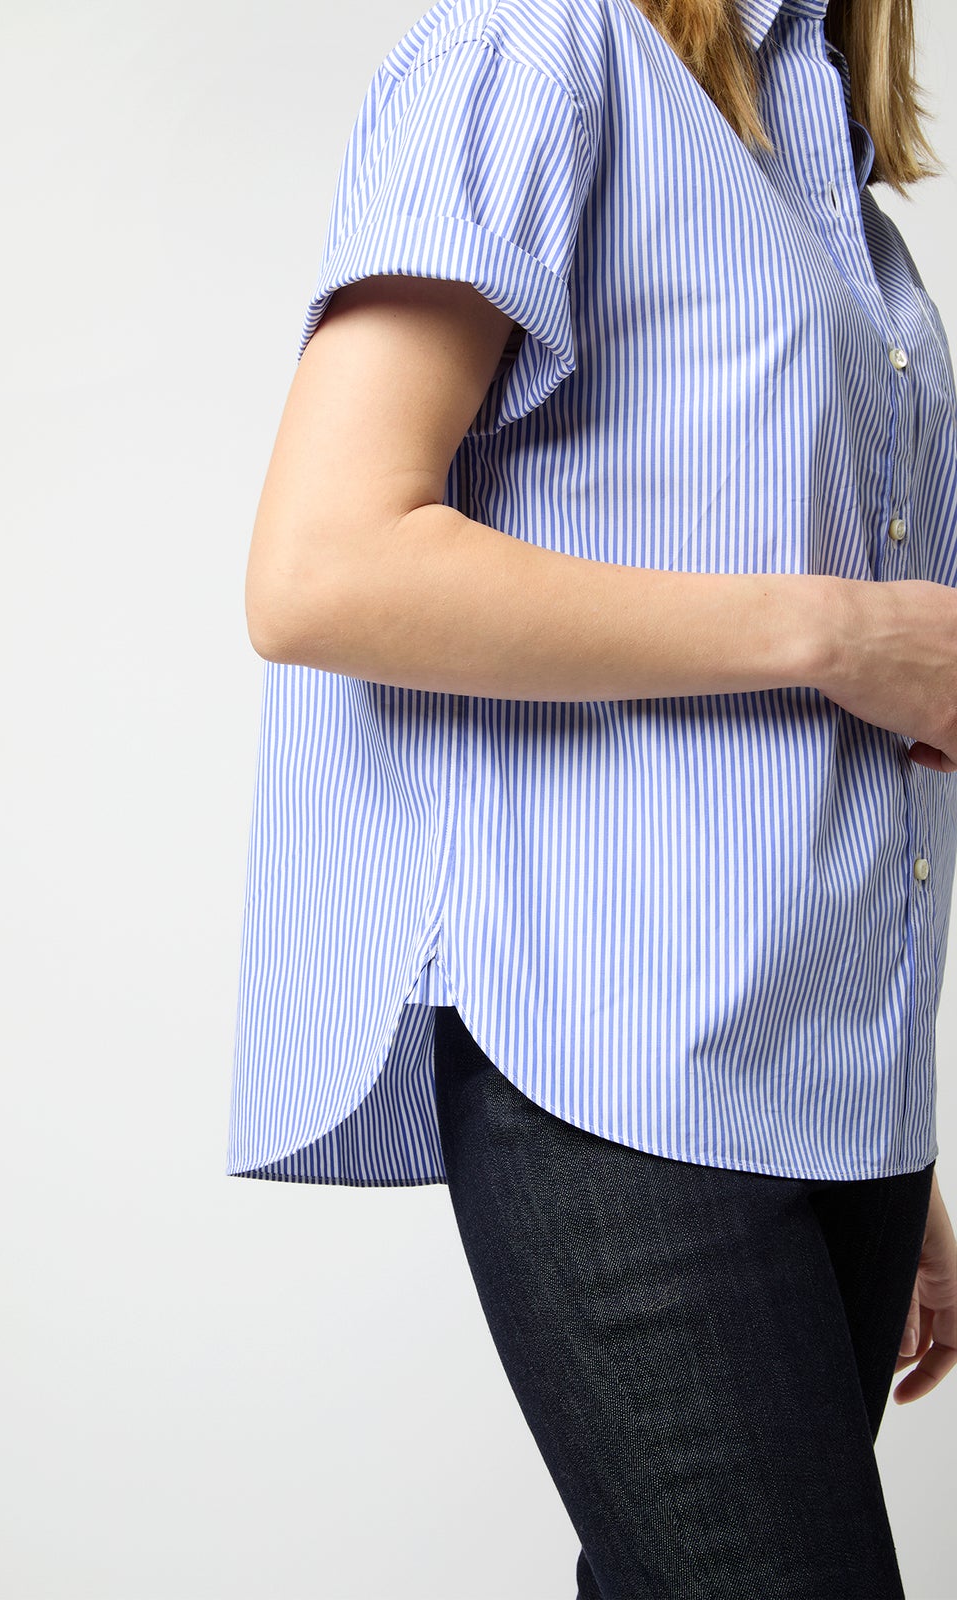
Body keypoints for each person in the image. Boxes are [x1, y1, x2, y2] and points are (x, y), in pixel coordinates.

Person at [224, 0, 957, 1591]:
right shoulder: (536, 44)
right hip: (614, 1052)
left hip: (830, 1088)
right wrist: (841, 635)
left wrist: (888, 1130)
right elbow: (323, 566)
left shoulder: (809, 121)